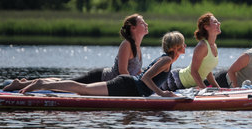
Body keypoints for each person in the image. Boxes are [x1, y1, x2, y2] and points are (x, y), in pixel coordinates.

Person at [3, 14, 148, 91]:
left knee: (62, 82)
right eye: (142, 22)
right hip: (99, 78)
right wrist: (134, 88)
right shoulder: (127, 44)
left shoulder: (138, 47)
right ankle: (21, 85)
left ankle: (24, 83)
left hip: (110, 82)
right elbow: (123, 71)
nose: (146, 24)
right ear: (133, 28)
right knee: (64, 87)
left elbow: (135, 70)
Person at [18, 31, 186, 97]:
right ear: (177, 46)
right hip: (127, 86)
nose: (185, 46)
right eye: (183, 44)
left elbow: (146, 76)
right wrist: (162, 93)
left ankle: (44, 83)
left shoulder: (165, 60)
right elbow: (146, 78)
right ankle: (41, 84)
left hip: (128, 85)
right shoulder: (166, 60)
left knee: (82, 89)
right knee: (83, 90)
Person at [161, 12, 221, 91]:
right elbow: (194, 72)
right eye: (215, 22)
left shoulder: (214, 46)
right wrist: (204, 90)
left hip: (186, 84)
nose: (219, 23)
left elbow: (207, 71)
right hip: (176, 80)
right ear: (206, 27)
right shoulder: (202, 46)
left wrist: (218, 88)